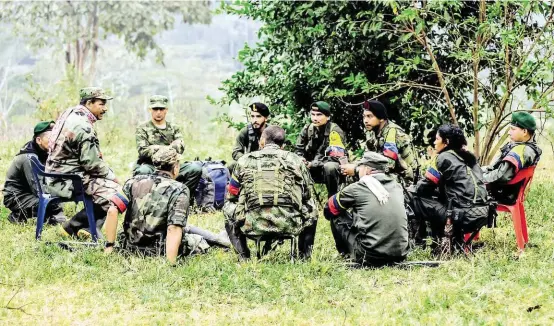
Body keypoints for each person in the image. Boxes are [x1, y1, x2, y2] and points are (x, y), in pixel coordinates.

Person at [47, 87, 127, 253]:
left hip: (55, 175)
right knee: (120, 194)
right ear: (89, 103)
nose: (105, 108)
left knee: (106, 187)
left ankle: (80, 227)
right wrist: (113, 177)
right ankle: (77, 225)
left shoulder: (70, 113)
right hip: (68, 181)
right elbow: (92, 164)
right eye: (101, 103)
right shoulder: (84, 126)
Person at [120, 147, 229, 263]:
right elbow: (174, 228)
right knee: (197, 241)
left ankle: (220, 238)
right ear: (176, 167)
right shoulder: (179, 189)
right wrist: (170, 263)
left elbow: (112, 209)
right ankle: (222, 241)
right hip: (158, 249)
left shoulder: (135, 181)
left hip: (129, 246)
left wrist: (109, 245)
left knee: (187, 227)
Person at [224, 126, 319, 260]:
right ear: (283, 145)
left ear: (262, 141)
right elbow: (307, 195)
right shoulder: (295, 160)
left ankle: (243, 256)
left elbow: (232, 195)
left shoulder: (244, 160)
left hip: (252, 226)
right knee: (312, 207)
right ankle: (304, 256)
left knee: (228, 208)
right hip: (290, 224)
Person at [409, 124, 489, 252]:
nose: (434, 143)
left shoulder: (442, 157)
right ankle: (452, 241)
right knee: (440, 201)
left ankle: (421, 242)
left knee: (415, 199)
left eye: (437, 139)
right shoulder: (469, 156)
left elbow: (424, 186)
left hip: (462, 216)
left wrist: (409, 189)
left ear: (446, 142)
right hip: (483, 214)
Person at [324, 152, 409, 267]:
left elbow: (328, 209)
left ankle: (346, 254)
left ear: (367, 170)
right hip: (400, 253)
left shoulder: (357, 188)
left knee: (336, 213)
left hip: (369, 256)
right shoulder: (397, 186)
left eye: (361, 167)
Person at [134, 95, 202, 199]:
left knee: (195, 169)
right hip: (152, 166)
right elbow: (143, 151)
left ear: (166, 110)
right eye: (155, 109)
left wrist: (156, 148)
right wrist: (168, 148)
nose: (158, 112)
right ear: (150, 110)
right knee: (142, 171)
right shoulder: (142, 128)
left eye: (161, 109)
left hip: (172, 167)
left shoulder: (174, 128)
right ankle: (146, 203)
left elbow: (181, 146)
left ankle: (181, 199)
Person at [3, 121, 66, 224]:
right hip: (16, 196)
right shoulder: (29, 158)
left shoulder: (45, 152)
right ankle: (18, 215)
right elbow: (38, 190)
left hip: (29, 192)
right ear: (39, 140)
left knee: (55, 200)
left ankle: (49, 217)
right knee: (50, 203)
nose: (54, 141)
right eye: (50, 138)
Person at [341, 100, 417, 185]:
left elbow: (387, 166)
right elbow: (367, 159)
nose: (365, 121)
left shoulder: (392, 133)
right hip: (390, 174)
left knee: (366, 176)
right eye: (364, 117)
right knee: (349, 174)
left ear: (381, 118)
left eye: (370, 116)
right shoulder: (374, 133)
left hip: (406, 180)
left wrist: (356, 169)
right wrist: (351, 166)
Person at [483, 112, 542, 205]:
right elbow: (494, 168)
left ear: (524, 132)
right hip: (505, 192)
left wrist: (479, 178)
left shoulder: (521, 150)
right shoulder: (527, 147)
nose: (509, 132)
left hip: (501, 193)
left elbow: (501, 176)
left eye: (513, 129)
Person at [295, 101, 347, 197]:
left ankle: (333, 199)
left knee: (330, 166)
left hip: (330, 169)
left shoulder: (335, 131)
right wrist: (301, 159)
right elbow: (299, 149)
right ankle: (302, 200)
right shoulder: (307, 129)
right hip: (312, 167)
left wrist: (313, 164)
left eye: (319, 115)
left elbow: (335, 158)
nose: (315, 118)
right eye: (313, 114)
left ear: (328, 117)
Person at [229, 103, 274, 172]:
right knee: (232, 165)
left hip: (268, 164)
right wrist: (248, 160)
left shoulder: (272, 132)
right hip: (250, 164)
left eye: (258, 116)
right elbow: (236, 152)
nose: (254, 120)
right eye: (252, 116)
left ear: (266, 118)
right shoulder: (245, 131)